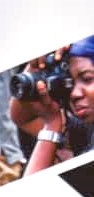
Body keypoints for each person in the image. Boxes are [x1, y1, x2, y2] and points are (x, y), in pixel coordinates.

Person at [9, 36, 94, 176]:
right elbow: (23, 118)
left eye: (87, 79)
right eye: (69, 83)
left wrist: (51, 126)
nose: (74, 94)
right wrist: (36, 69)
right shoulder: (87, 127)